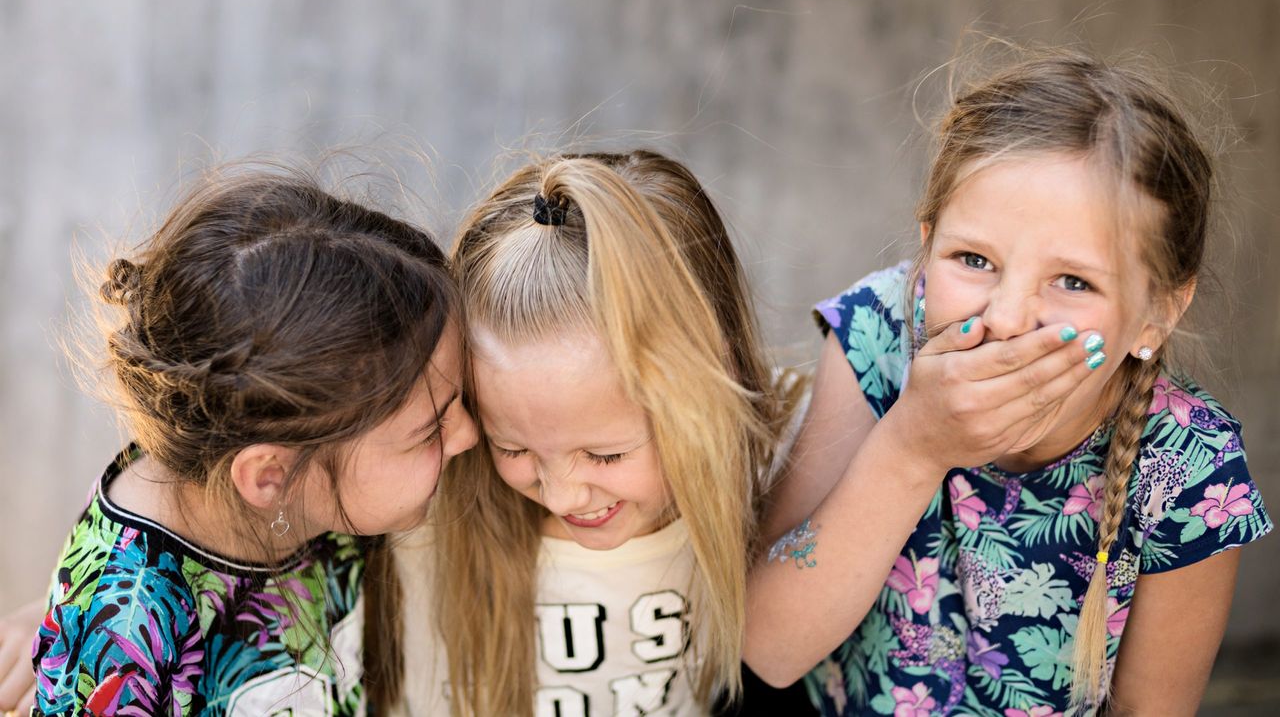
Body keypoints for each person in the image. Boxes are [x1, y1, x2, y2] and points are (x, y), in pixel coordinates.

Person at [745, 50, 1272, 715]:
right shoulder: (876, 335)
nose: (1006, 319)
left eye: (1074, 281)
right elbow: (766, 645)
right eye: (974, 260)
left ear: (1159, 312)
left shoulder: (1188, 466)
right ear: (927, 246)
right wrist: (912, 448)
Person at [20, 168, 479, 715]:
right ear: (270, 477)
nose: (469, 434)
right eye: (431, 428)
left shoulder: (296, 473)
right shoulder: (125, 637)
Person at [393, 149, 811, 716]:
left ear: (713, 382)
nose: (563, 494)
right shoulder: (419, 491)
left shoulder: (790, 457)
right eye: (511, 447)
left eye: (606, 455)